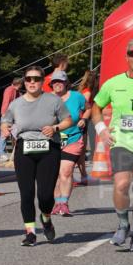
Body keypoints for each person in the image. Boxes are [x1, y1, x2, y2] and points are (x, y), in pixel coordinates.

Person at [91, 38, 133, 252]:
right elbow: (96, 107)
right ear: (126, 57)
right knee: (121, 184)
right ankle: (122, 224)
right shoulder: (114, 83)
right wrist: (101, 130)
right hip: (122, 142)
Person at [0, 66, 73, 246]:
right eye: (28, 79)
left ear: (42, 82)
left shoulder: (53, 100)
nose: (32, 82)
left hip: (49, 149)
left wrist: (55, 128)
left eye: (36, 79)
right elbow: (6, 120)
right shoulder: (16, 103)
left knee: (45, 195)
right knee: (26, 193)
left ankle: (46, 217)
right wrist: (4, 128)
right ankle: (30, 233)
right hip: (24, 149)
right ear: (24, 82)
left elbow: (68, 120)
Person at [49, 71, 89, 216]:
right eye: (54, 82)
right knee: (54, 174)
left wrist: (84, 119)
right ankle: (57, 202)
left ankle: (64, 203)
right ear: (51, 84)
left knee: (66, 171)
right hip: (52, 140)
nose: (57, 84)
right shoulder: (46, 99)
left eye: (60, 81)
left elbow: (89, 109)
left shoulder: (77, 97)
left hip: (72, 137)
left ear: (66, 83)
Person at [77, 70, 100, 183]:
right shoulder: (88, 92)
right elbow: (84, 107)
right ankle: (83, 176)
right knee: (81, 149)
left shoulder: (82, 90)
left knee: (80, 149)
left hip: (81, 121)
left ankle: (84, 175)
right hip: (82, 121)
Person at [0, 76, 23, 164]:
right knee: (4, 134)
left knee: (15, 133)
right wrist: (4, 114)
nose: (21, 86)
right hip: (7, 114)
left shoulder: (17, 91)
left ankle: (16, 152)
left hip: (13, 115)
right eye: (21, 84)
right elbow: (6, 101)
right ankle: (2, 154)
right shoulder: (9, 90)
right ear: (19, 84)